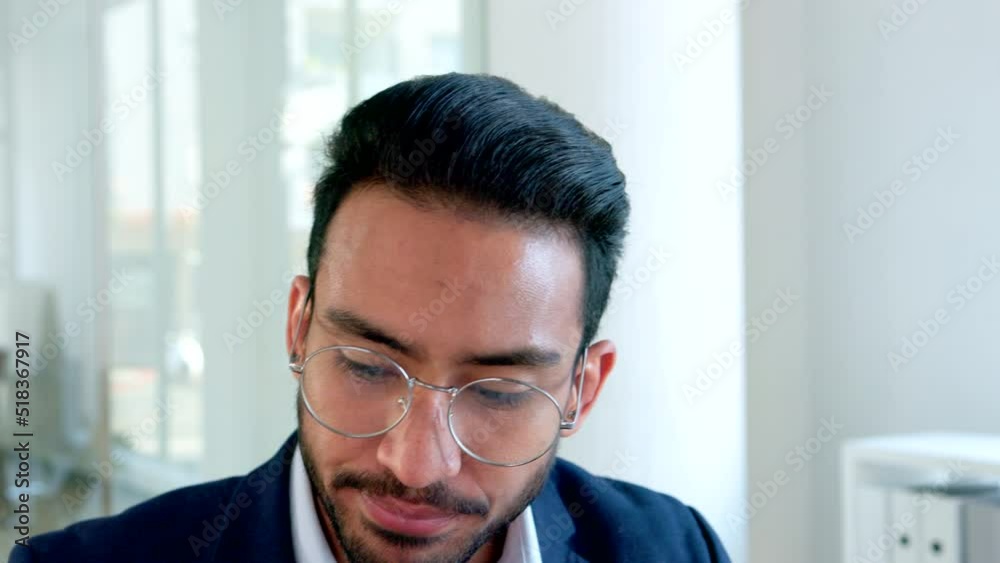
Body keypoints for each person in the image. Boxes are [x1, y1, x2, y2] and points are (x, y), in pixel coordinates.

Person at [9, 73, 730, 563]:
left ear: (582, 388)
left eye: (499, 391)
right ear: (299, 327)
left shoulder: (674, 546)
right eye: (366, 366)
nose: (415, 464)